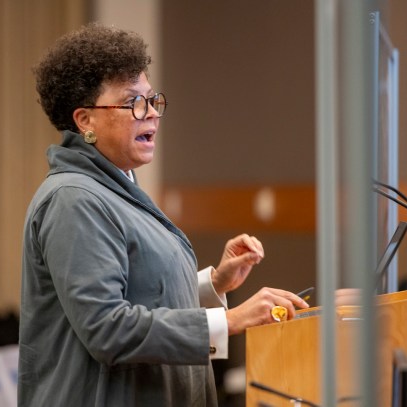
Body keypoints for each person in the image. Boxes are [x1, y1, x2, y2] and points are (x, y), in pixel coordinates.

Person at [18, 23, 309, 407]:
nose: (152, 113)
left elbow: (140, 289)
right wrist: (231, 320)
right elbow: (107, 328)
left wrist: (213, 285)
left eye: (153, 100)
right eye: (133, 102)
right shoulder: (74, 198)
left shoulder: (115, 183)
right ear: (85, 120)